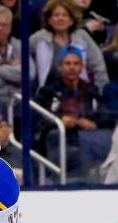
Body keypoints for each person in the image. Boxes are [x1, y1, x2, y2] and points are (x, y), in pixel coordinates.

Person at [35, 45, 113, 179]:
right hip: (60, 138)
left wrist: (93, 123)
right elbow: (39, 117)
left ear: (82, 67)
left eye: (76, 64)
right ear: (60, 67)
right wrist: (59, 120)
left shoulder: (91, 90)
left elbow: (106, 114)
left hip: (87, 138)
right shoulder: (47, 91)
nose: (72, 67)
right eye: (68, 63)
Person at [29, 0, 109, 92]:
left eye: (64, 15)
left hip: (80, 92)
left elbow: (98, 65)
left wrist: (101, 91)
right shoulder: (38, 38)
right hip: (47, 93)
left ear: (71, 20)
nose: (60, 19)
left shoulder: (82, 36)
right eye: (56, 15)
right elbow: (23, 55)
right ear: (49, 20)